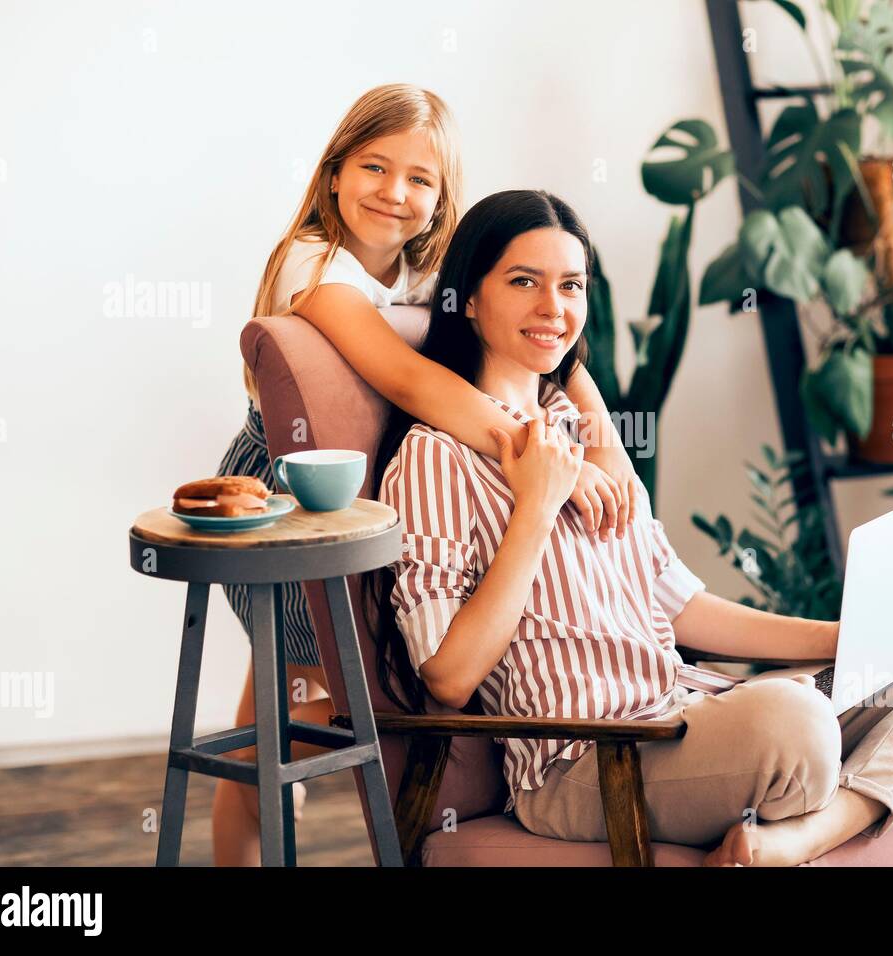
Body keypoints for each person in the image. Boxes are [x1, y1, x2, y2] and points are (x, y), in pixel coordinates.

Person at [365, 188, 893, 866]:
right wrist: (534, 509)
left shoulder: (586, 438)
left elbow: (683, 607)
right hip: (590, 766)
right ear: (468, 299)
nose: (553, 308)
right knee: (793, 723)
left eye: (571, 285)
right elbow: (447, 676)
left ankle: (803, 838)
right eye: (523, 281)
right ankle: (828, 805)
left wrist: (855, 642)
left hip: (691, 715)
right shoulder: (435, 459)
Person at [211, 86, 640, 866]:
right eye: (375, 167)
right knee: (283, 724)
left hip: (364, 491)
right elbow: (411, 381)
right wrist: (554, 464)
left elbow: (553, 351)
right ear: (334, 171)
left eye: (420, 179)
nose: (394, 193)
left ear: (442, 198)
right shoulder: (313, 263)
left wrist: (603, 442)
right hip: (289, 492)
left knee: (280, 722)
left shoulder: (426, 265)